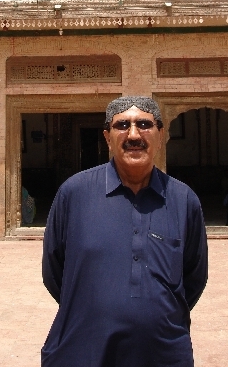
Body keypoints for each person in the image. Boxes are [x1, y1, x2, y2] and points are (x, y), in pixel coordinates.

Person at [42, 96, 208, 367]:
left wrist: (154, 315)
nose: (133, 134)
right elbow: (54, 270)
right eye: (122, 125)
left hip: (162, 352)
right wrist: (92, 307)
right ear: (108, 137)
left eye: (144, 124)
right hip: (83, 349)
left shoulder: (182, 199)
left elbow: (194, 276)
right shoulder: (75, 194)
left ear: (160, 134)